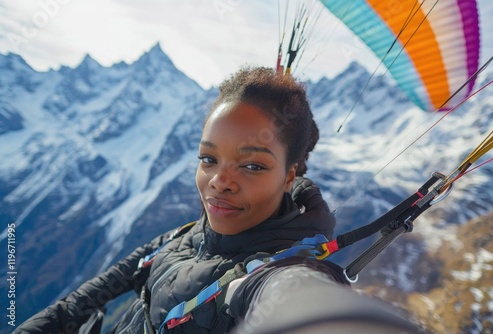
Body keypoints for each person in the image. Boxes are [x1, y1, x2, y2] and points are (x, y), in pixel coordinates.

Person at [15, 67, 422, 334]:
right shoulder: (190, 234)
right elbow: (101, 288)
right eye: (209, 159)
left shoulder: (274, 271)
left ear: (290, 177)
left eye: (253, 166)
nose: (218, 182)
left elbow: (292, 295)